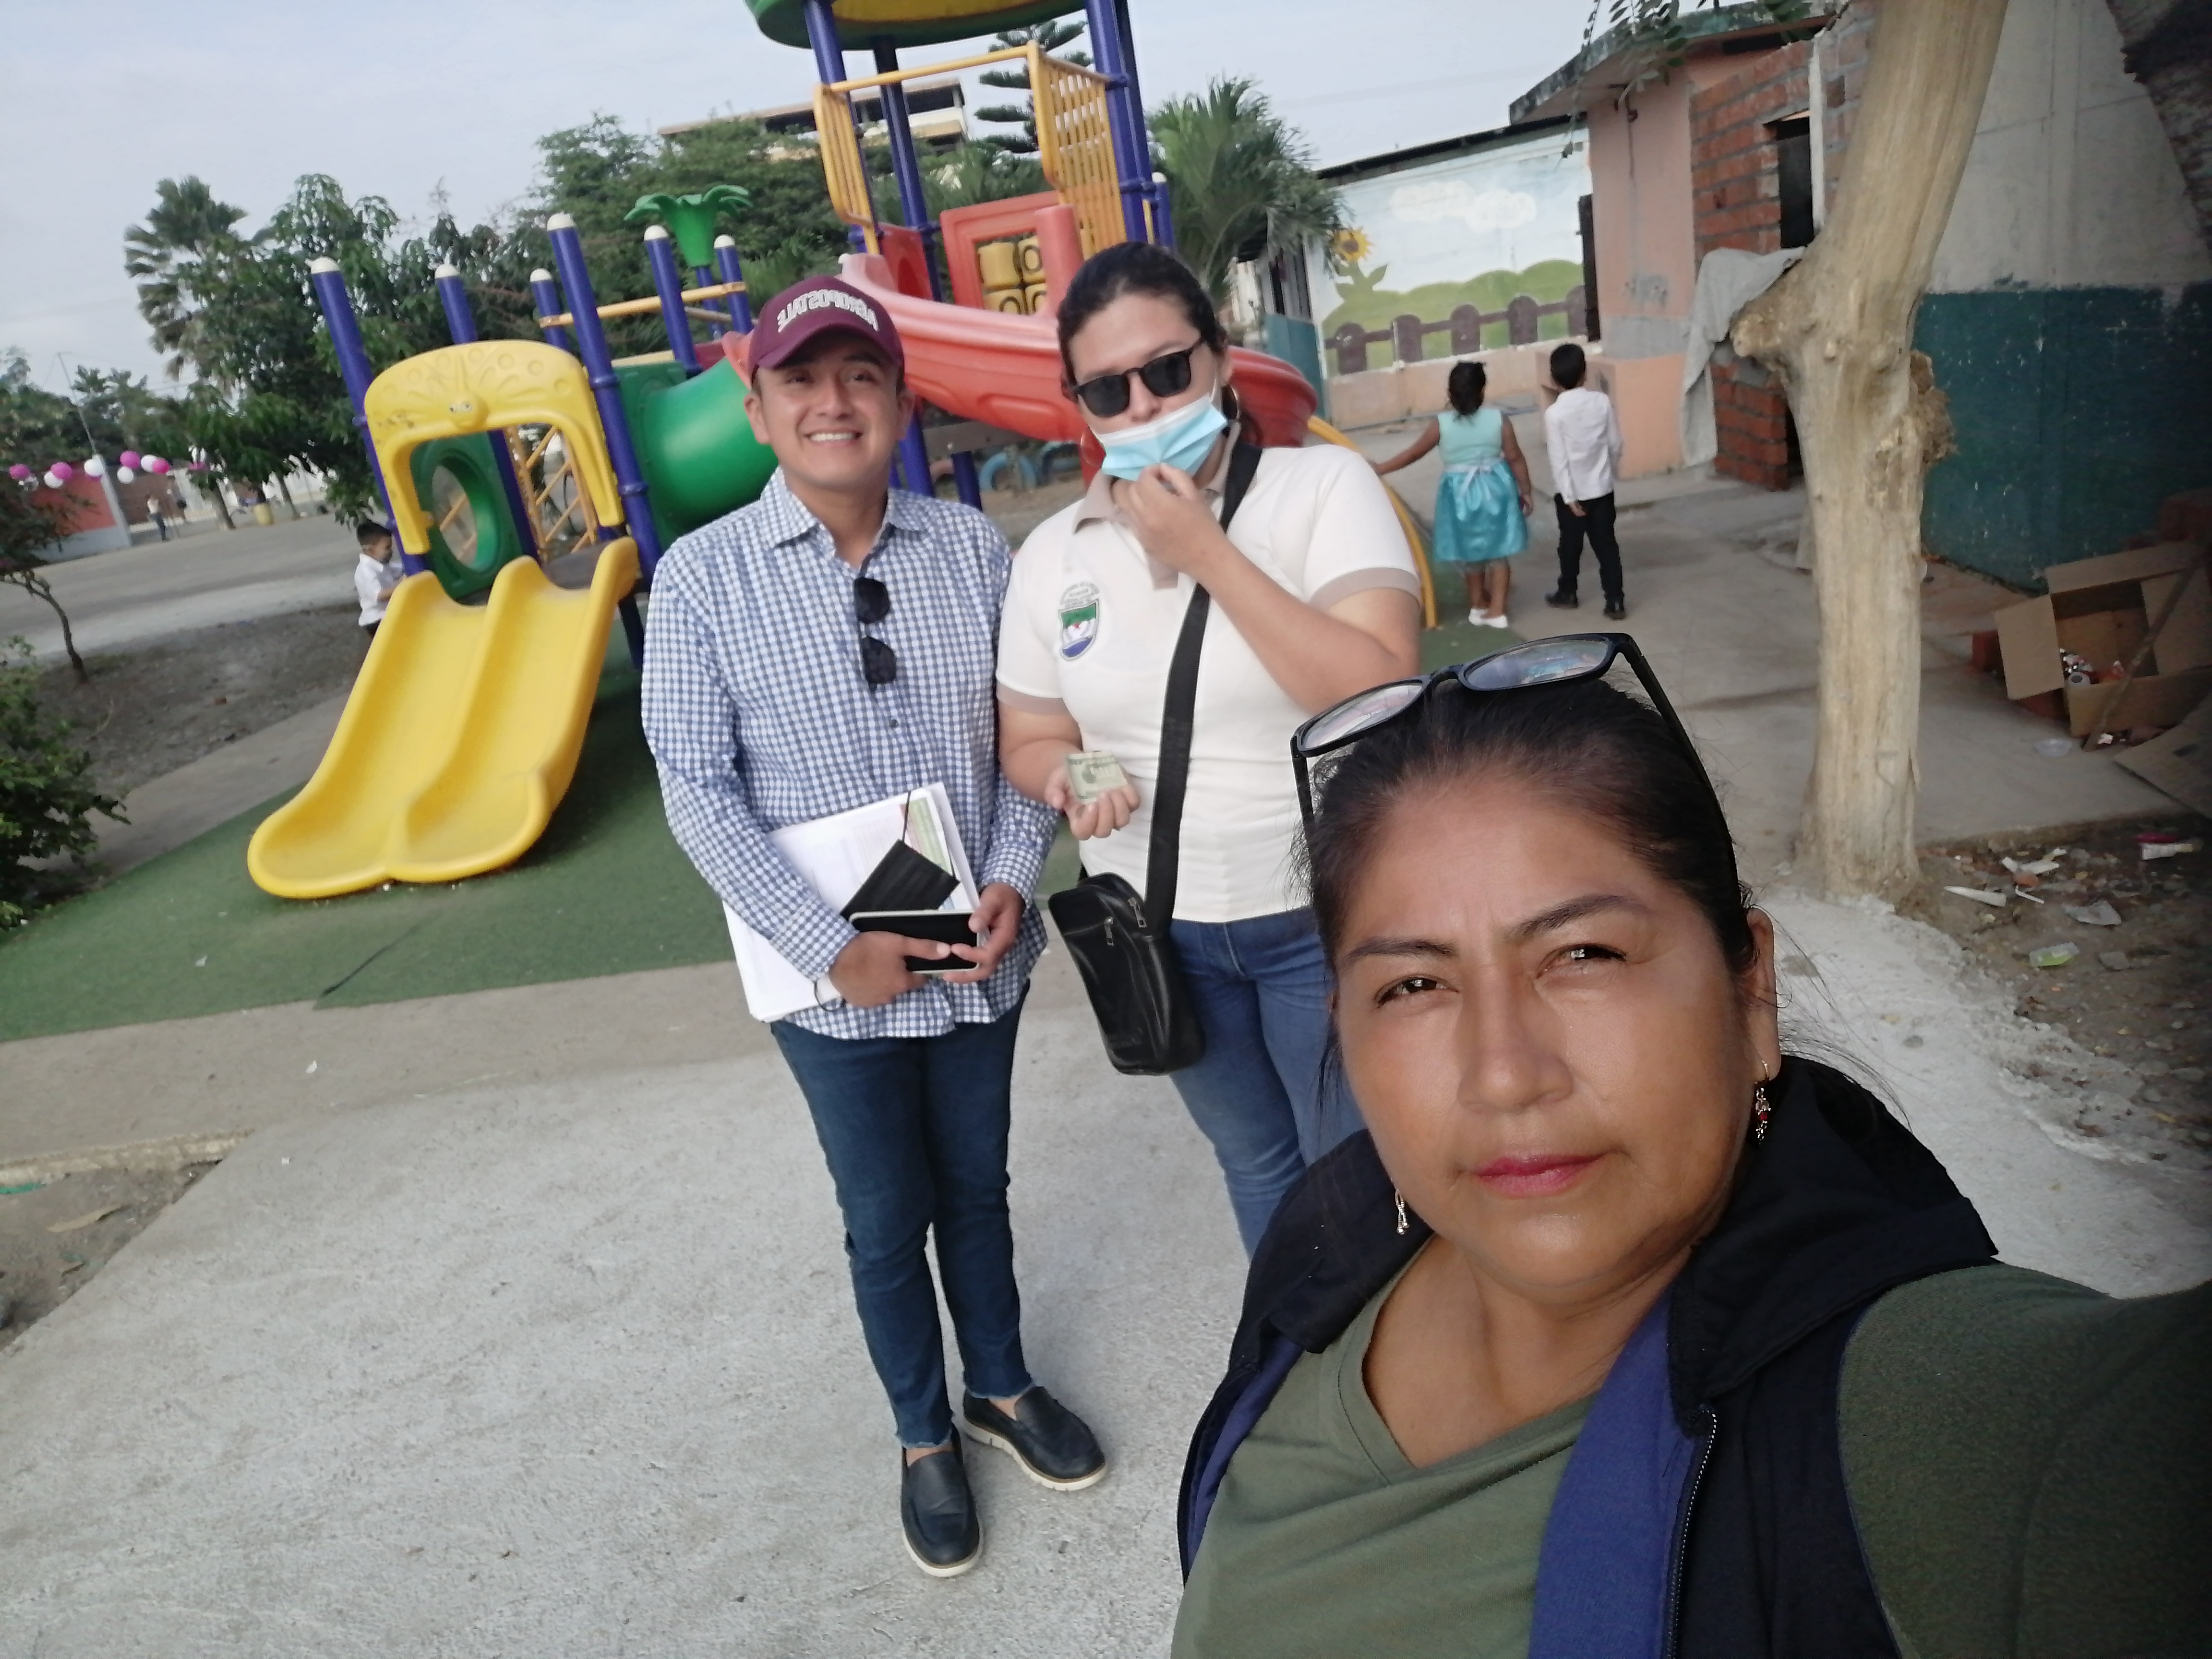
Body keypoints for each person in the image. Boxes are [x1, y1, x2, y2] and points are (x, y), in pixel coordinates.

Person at [1173, 636, 2211, 1658]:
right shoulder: (1329, 1241)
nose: (1504, 1074)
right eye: (1413, 984)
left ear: (1750, 990)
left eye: (1584, 953)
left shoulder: (1926, 1423)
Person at [641, 277, 1104, 1581]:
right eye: (802, 380)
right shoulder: (703, 580)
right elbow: (698, 789)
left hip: (974, 949)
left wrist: (1011, 870)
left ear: (901, 400)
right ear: (758, 409)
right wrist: (825, 944)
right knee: (885, 1211)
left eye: (860, 375)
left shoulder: (971, 551)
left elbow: (1027, 731)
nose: (833, 402)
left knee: (976, 1183)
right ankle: (920, 1432)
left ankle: (998, 1386)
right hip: (830, 981)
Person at [996, 242, 1422, 1256]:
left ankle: (1384, 1337)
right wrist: (1072, 774)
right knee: (1256, 1162)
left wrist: (1208, 556)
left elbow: (1377, 689)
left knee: (1354, 1161)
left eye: (1167, 370)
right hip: (1157, 925)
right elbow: (1033, 734)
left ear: (1219, 357)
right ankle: (1290, 1342)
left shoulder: (1321, 489)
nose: (1143, 406)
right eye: (1109, 390)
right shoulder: (1053, 555)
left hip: (1322, 910)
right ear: (1079, 404)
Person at [1372, 361, 1533, 628]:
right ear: (1482, 390)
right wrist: (1525, 490)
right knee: (1499, 554)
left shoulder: (1441, 424)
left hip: (1460, 496)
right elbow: (1515, 457)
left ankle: (1477, 605)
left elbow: (1414, 453)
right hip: (1497, 491)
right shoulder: (1500, 420)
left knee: (1470, 553)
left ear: (1450, 393)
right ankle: (1497, 611)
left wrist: (1381, 468)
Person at [1542, 342, 1627, 620]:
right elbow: (1615, 443)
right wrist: (1609, 471)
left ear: (1553, 378)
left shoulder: (1554, 414)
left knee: (1570, 546)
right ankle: (1615, 601)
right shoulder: (1601, 402)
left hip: (1572, 494)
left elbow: (1559, 459)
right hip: (1602, 490)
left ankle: (1568, 592)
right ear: (1585, 373)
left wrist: (1569, 497)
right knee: (1607, 546)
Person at [353, 520, 399, 642]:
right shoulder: (366, 571)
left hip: (385, 615)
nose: (391, 551)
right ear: (370, 550)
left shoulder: (381, 564)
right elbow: (380, 596)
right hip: (377, 620)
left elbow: (399, 569)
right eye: (387, 548)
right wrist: (402, 585)